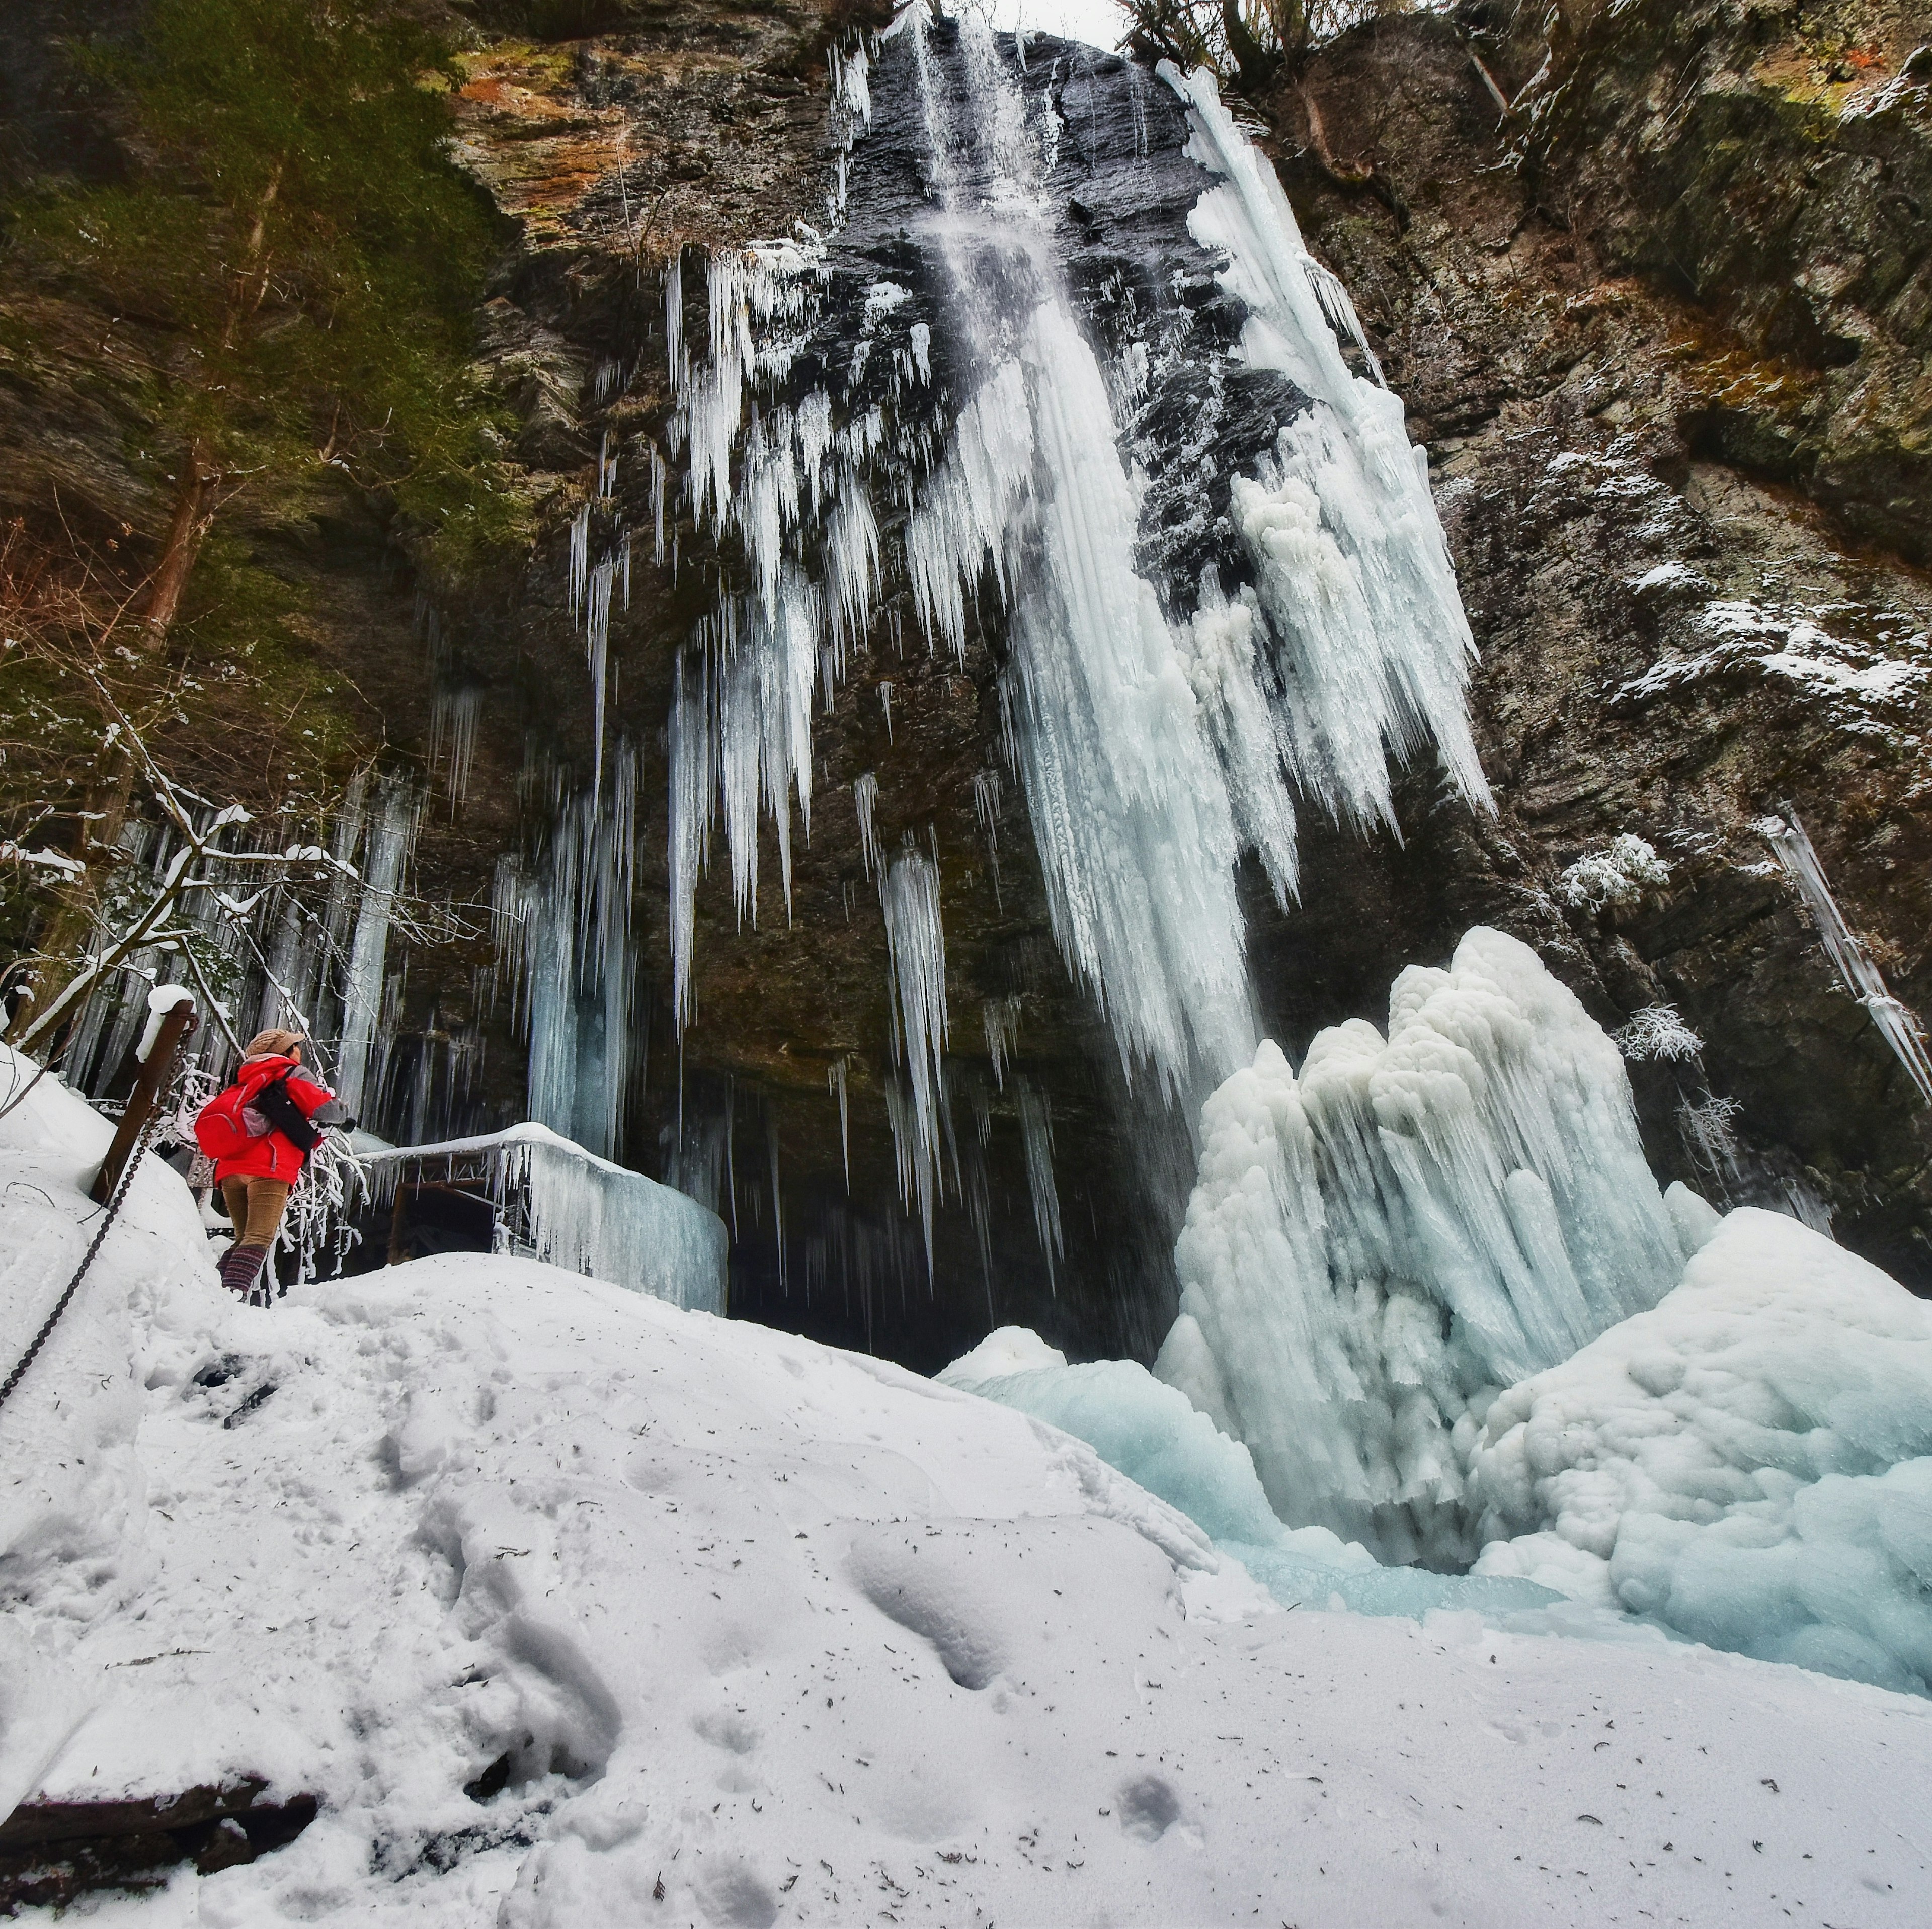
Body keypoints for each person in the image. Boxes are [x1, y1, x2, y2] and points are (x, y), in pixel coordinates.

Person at [206, 1028, 355, 1298]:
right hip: (269, 1167)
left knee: (243, 1238)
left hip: (230, 1170)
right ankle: (229, 1298)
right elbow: (325, 1110)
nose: (299, 1051)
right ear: (285, 1051)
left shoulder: (246, 1078)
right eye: (296, 1046)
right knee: (259, 1238)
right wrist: (343, 1113)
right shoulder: (289, 1072)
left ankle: (212, 1295)